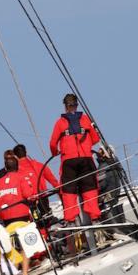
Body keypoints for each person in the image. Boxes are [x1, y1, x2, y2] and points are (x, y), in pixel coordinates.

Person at [49, 93, 101, 224]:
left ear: (65, 107)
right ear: (76, 105)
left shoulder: (60, 122)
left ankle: (71, 219)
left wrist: (56, 152)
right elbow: (96, 138)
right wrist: (87, 144)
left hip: (68, 161)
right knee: (90, 188)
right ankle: (95, 217)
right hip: (86, 159)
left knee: (68, 190)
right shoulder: (85, 119)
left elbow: (52, 143)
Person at [0, 156, 35, 275]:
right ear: (17, 166)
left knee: (10, 247)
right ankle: (25, 273)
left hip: (6, 222)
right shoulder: (21, 178)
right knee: (26, 245)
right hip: (22, 218)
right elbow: (28, 194)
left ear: (5, 168)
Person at [13, 143, 59, 217]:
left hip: (30, 202)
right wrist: (59, 189)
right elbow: (53, 180)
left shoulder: (16, 172)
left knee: (38, 223)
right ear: (26, 152)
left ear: (15, 156)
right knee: (48, 219)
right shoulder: (39, 165)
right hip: (43, 198)